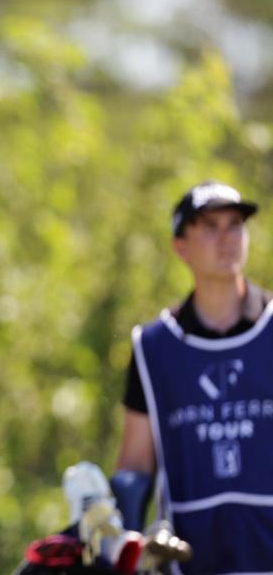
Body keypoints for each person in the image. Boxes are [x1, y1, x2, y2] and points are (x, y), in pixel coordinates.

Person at [113, 181, 273, 574]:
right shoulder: (154, 346)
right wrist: (114, 537)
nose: (226, 238)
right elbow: (135, 465)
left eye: (235, 224)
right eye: (209, 226)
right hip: (188, 559)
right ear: (180, 246)